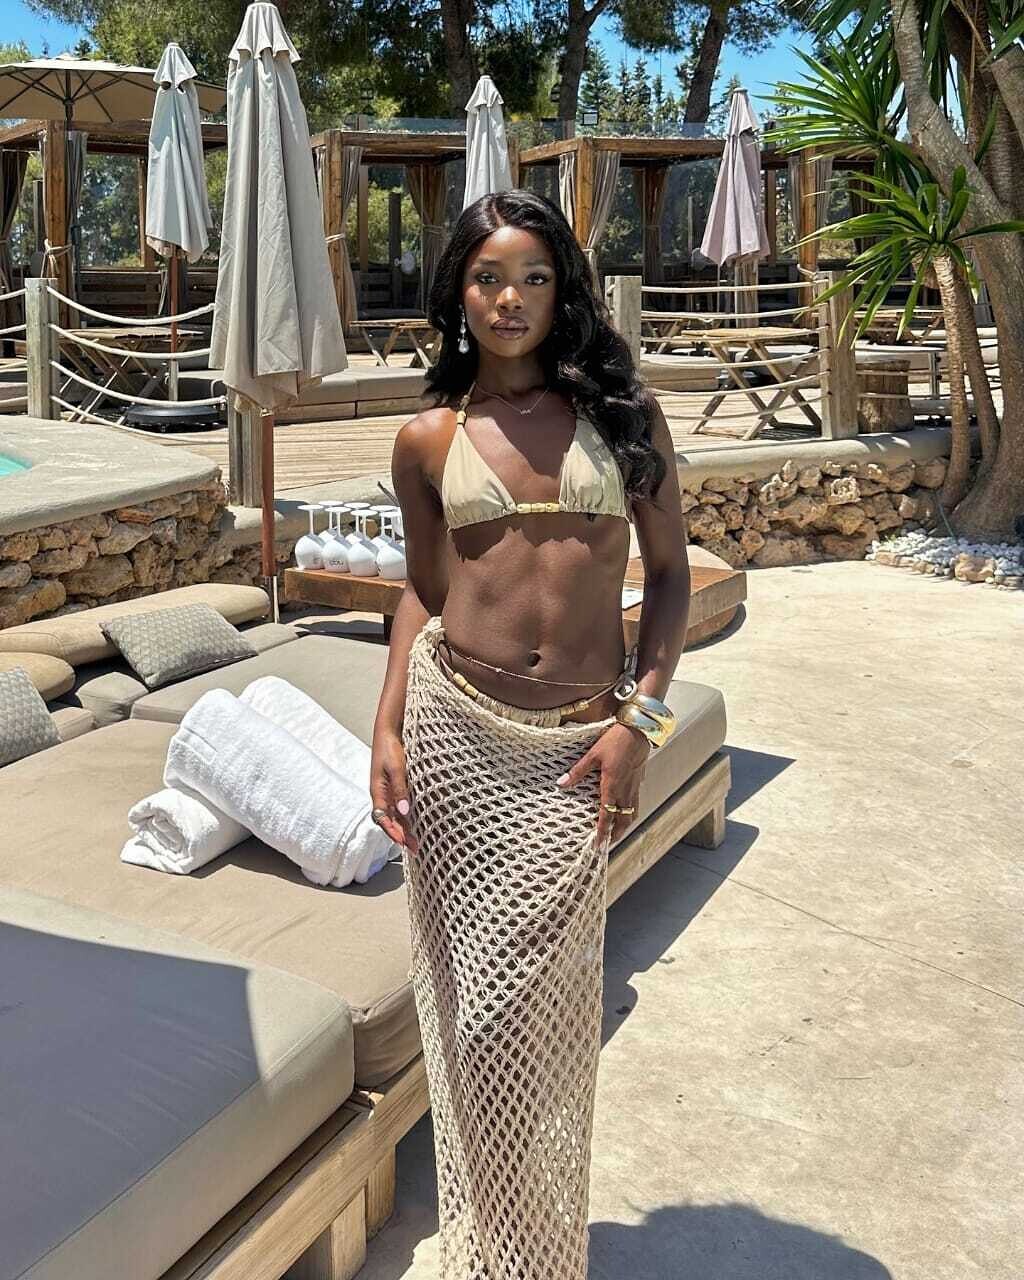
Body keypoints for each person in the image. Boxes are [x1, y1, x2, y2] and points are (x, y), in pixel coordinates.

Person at [369, 189, 690, 1279]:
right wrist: (387, 725)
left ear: (565, 291)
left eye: (535, 278)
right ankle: (509, 1248)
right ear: (458, 294)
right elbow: (424, 593)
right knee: (473, 1010)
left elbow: (672, 580)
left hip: (575, 748)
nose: (511, 299)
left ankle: (524, 1249)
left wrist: (640, 725)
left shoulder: (624, 417)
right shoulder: (428, 438)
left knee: (526, 1016)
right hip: (455, 737)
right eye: (488, 278)